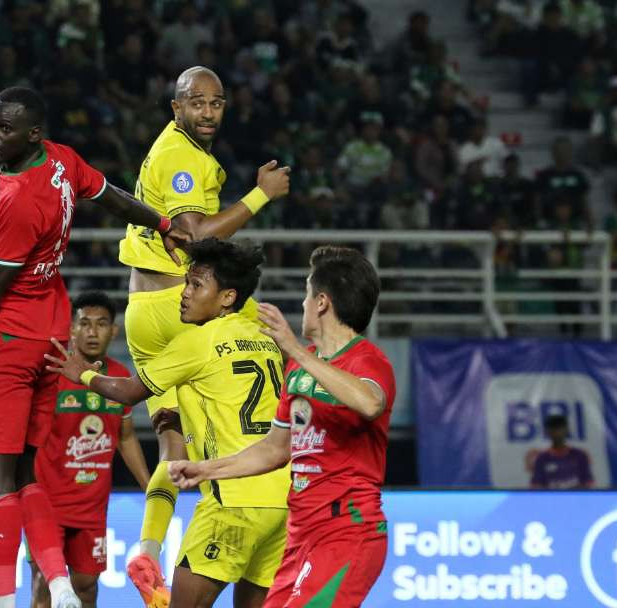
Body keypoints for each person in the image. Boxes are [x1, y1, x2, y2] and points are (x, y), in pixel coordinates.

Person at [0, 86, 190, 608]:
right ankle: (60, 585)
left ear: (33, 134)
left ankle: (2, 601)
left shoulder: (19, 199)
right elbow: (110, 194)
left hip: (4, 341)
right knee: (26, 473)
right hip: (49, 333)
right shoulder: (62, 162)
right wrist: (161, 223)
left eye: (5, 128)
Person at [116, 65, 291, 606]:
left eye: (217, 104)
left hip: (142, 309)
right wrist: (260, 197)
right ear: (177, 107)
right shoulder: (182, 158)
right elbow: (192, 239)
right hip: (176, 303)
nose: (208, 113)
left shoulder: (173, 149)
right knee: (265, 336)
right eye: (197, 103)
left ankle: (148, 546)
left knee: (173, 443)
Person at [45, 238, 291, 608]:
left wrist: (82, 375)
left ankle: (149, 550)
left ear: (226, 297)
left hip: (232, 503)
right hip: (281, 500)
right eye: (186, 283)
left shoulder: (197, 342)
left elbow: (129, 391)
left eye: (195, 285)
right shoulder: (265, 338)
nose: (184, 293)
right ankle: (150, 552)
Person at [169, 245, 396, 607]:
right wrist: (205, 469)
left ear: (321, 302)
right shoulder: (297, 371)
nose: (303, 304)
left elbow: (370, 403)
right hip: (300, 533)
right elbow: (274, 450)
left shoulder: (367, 360)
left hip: (347, 530)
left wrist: (296, 350)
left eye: (307, 295)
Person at [0, 292, 152, 608]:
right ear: (71, 329)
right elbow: (14, 442)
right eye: (84, 323)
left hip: (92, 506)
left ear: (114, 331)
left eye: (101, 324)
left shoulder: (121, 378)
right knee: (44, 585)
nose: (92, 332)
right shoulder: (50, 373)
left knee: (86, 588)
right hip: (45, 502)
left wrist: (151, 489)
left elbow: (125, 437)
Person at [529, 415, 594, 489]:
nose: (557, 433)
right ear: (548, 432)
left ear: (566, 430)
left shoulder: (580, 456)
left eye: (560, 429)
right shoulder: (542, 458)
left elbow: (588, 483)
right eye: (553, 429)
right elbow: (536, 486)